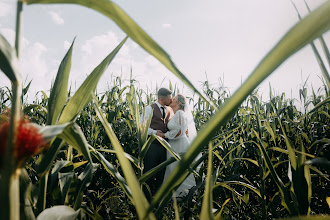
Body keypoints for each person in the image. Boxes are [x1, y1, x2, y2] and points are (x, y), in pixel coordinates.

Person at [159, 94, 197, 197]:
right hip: (174, 144)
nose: (171, 100)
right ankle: (175, 194)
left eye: (174, 99)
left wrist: (164, 135)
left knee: (179, 168)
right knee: (172, 168)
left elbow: (179, 132)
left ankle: (184, 194)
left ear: (179, 103)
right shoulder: (176, 114)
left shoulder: (180, 113)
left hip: (179, 145)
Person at [141, 88, 172, 201]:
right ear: (162, 99)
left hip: (164, 147)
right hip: (152, 146)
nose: (171, 101)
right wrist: (155, 133)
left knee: (161, 174)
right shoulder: (149, 108)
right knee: (149, 172)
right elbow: (142, 126)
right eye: (169, 99)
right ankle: (145, 200)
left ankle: (157, 200)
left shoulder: (169, 110)